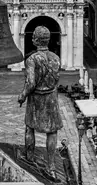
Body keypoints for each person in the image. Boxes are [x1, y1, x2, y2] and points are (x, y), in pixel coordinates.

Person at [18, 26, 63, 177]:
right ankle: (51, 166)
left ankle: (29, 157)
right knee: (52, 132)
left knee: (30, 127)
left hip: (36, 98)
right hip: (51, 98)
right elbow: (56, 79)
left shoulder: (32, 59)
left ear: (36, 40)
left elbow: (31, 83)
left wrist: (23, 95)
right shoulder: (56, 58)